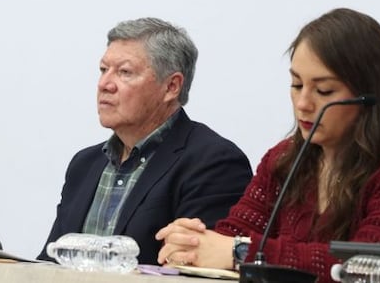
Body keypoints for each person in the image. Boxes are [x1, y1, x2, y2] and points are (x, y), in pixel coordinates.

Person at [157, 8, 380, 282]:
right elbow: (233, 235)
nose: (304, 103)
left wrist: (241, 252)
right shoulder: (284, 159)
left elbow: (368, 268)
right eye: (296, 85)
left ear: (370, 95)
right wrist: (192, 244)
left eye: (324, 90)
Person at [40, 17, 252, 265]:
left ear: (171, 86)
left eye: (124, 72)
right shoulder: (84, 164)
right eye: (103, 70)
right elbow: (50, 262)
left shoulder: (214, 163)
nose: (104, 84)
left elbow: (199, 271)